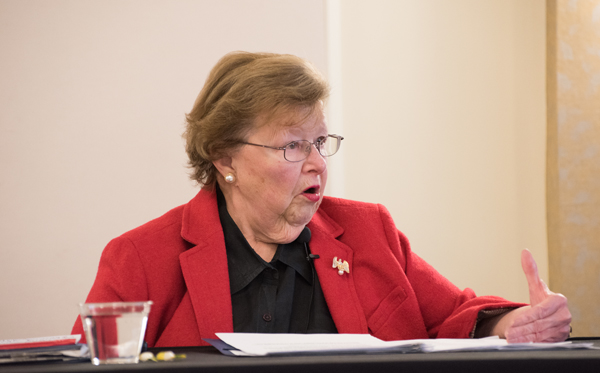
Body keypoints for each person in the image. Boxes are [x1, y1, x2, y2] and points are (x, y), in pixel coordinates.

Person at [72, 51, 571, 347]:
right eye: (292, 145)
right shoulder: (142, 257)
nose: (317, 163)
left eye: (320, 142)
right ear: (225, 158)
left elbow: (458, 316)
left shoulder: (367, 232)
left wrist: (516, 324)